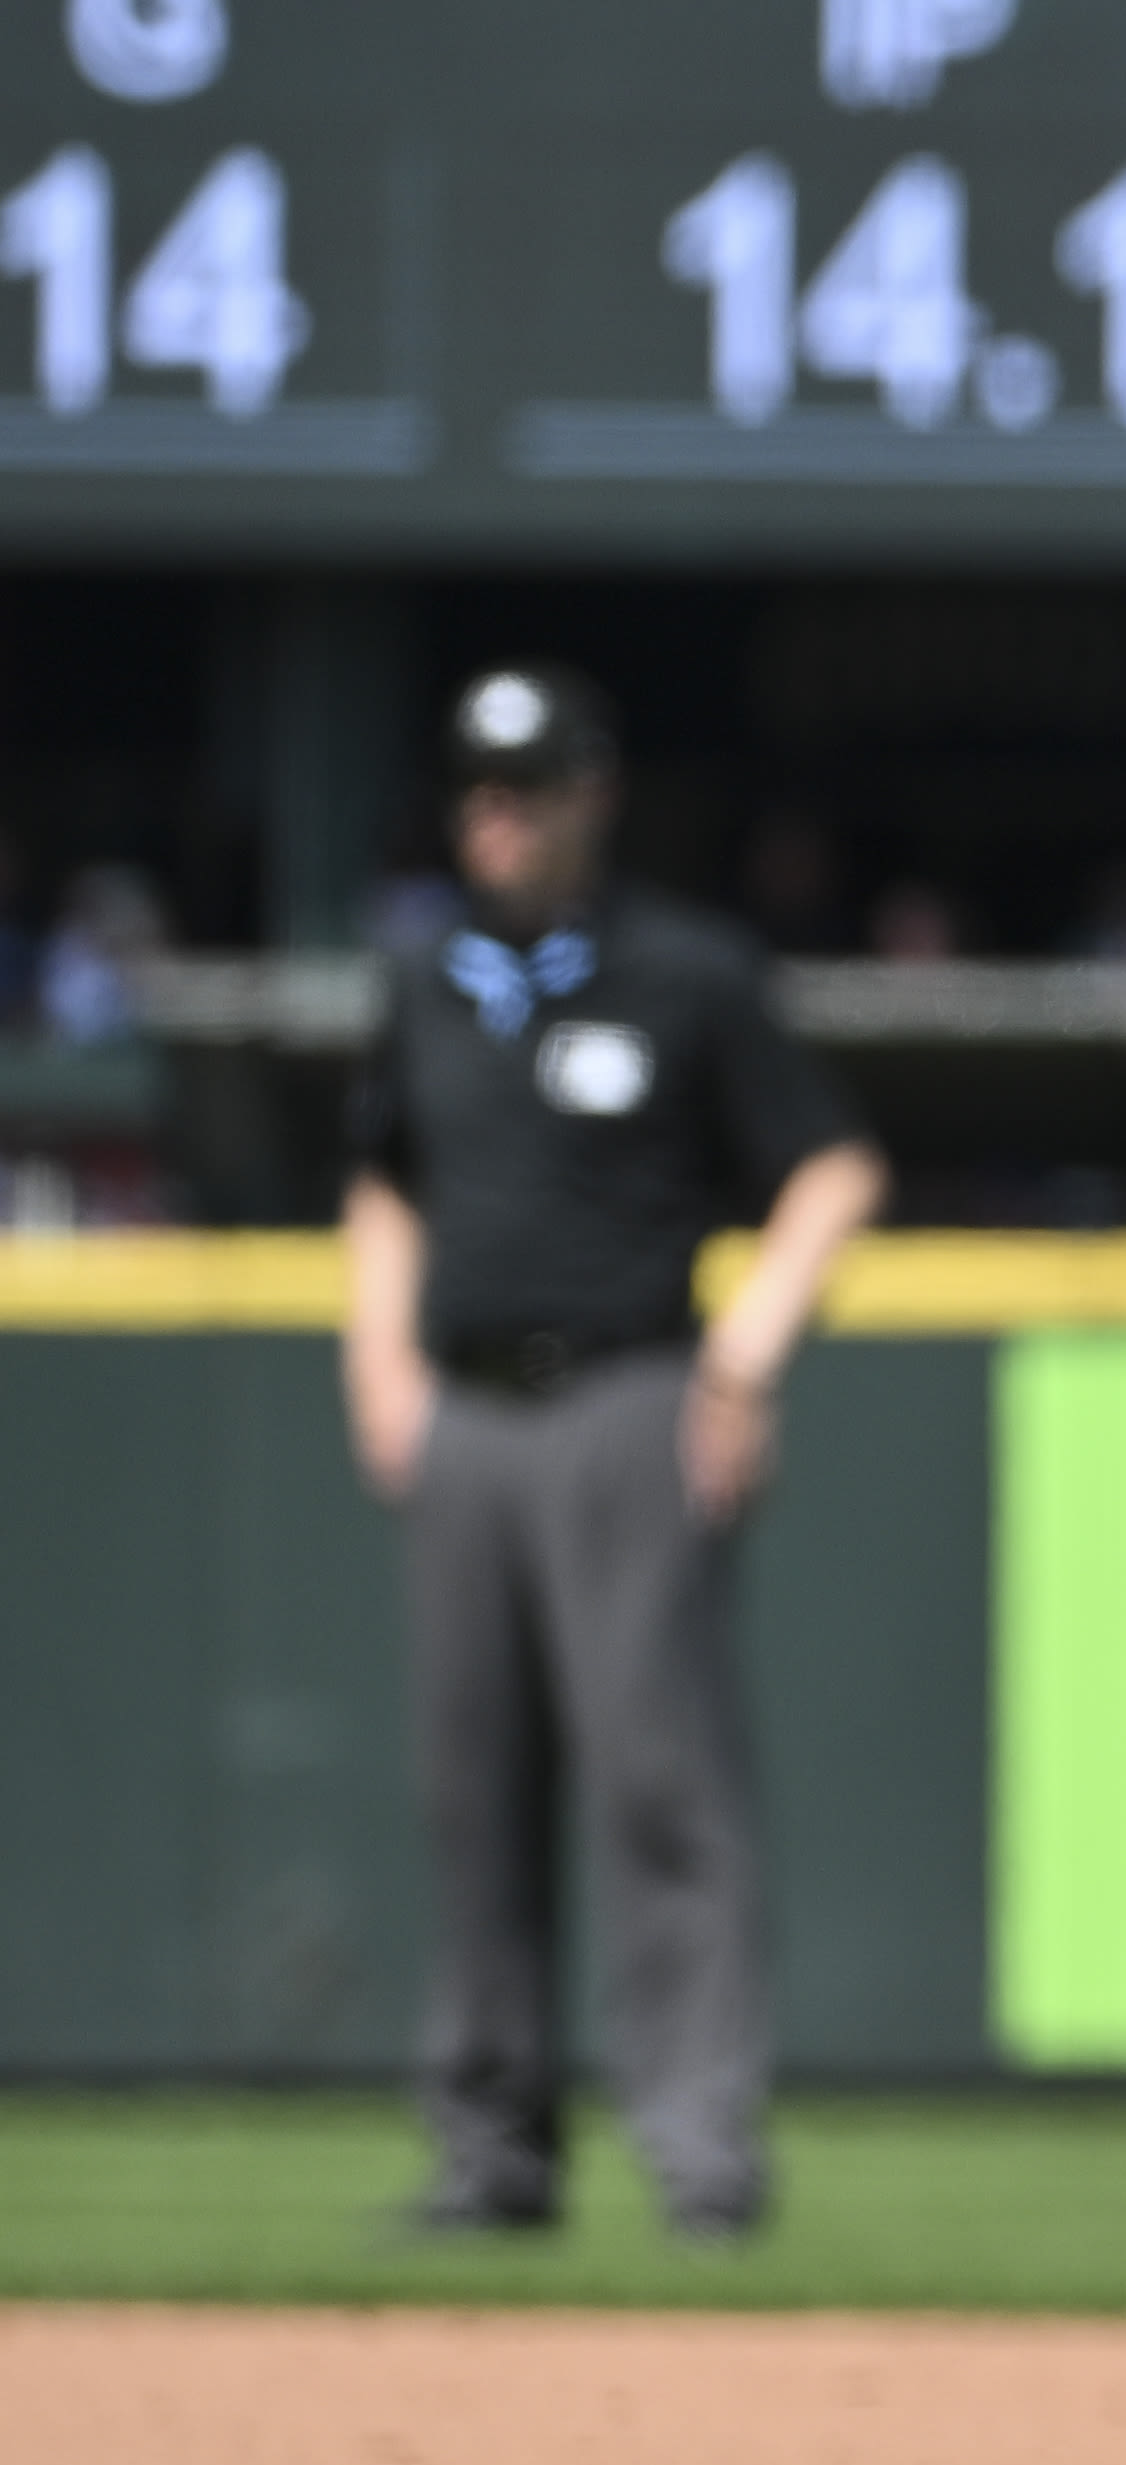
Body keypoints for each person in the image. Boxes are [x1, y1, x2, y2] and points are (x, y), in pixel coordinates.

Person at [344, 663, 884, 2247]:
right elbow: (383, 1178)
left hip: (629, 1402)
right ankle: (491, 2147)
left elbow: (833, 1169)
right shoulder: (430, 975)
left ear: (597, 790)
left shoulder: (685, 973)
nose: (501, 818)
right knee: (476, 1786)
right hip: (467, 1413)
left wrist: (746, 1357)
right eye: (479, 792)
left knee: (661, 1777)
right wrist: (376, 1365)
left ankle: (700, 2145)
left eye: (531, 786)